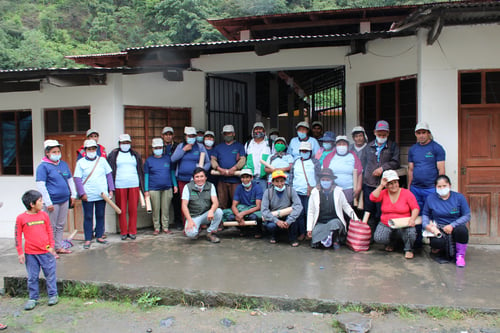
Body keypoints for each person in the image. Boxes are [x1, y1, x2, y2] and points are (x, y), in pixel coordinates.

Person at [15, 190, 58, 311]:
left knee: (50, 274)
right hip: (30, 254)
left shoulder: (44, 215)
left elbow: (49, 230)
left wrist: (51, 246)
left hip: (46, 252)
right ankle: (33, 298)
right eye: (40, 201)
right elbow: (17, 235)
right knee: (32, 277)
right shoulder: (21, 218)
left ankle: (53, 295)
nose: (42, 202)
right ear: (32, 204)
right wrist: (20, 252)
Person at [408, 122, 446, 248]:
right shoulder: (413, 149)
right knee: (416, 214)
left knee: (433, 215)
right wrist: (409, 187)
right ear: (415, 134)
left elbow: (441, 170)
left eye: (424, 132)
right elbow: (411, 169)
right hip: (416, 188)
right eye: (419, 133)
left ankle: (435, 245)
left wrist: (440, 188)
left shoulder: (437, 148)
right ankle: (417, 242)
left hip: (431, 189)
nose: (421, 135)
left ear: (428, 134)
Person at [36, 139, 76, 257]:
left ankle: (58, 246)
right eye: (54, 151)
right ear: (47, 153)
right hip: (52, 202)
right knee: (50, 227)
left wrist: (73, 194)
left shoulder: (63, 164)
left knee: (60, 225)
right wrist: (48, 202)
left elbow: (70, 179)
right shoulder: (43, 167)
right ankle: (50, 248)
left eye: (58, 151)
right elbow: (41, 185)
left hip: (64, 200)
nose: (57, 153)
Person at [74, 139, 115, 249]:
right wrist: (81, 193)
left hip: (102, 194)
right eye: (89, 149)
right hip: (88, 195)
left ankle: (99, 235)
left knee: (100, 215)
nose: (91, 151)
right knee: (88, 216)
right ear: (85, 150)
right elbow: (77, 178)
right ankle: (88, 238)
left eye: (93, 149)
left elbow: (109, 175)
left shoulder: (102, 161)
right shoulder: (80, 163)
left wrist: (111, 189)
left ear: (96, 150)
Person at [370, 170, 419, 259]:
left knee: (410, 232)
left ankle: (408, 249)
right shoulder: (384, 193)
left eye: (395, 182)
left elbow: (415, 208)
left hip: (403, 224)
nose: (394, 185)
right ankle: (391, 243)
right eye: (390, 183)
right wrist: (381, 185)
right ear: (387, 185)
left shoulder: (406, 193)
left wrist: (412, 219)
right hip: (387, 223)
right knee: (378, 237)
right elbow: (372, 197)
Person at [422, 175, 470, 267]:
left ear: (450, 185)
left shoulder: (459, 198)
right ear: (435, 187)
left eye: (444, 186)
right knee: (437, 242)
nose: (442, 188)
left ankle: (460, 256)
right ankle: (439, 251)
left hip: (455, 226)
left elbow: (467, 215)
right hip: (439, 227)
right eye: (439, 186)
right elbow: (425, 214)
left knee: (462, 231)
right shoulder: (431, 198)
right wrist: (427, 225)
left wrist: (452, 225)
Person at [362, 120, 400, 235]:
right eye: (379, 134)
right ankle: (370, 235)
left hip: (384, 185)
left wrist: (383, 168)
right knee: (369, 210)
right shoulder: (368, 147)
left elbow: (396, 162)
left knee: (382, 211)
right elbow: (363, 162)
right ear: (374, 133)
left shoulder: (393, 146)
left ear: (388, 134)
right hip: (369, 184)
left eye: (384, 134)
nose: (382, 136)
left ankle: (382, 235)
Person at [307, 168, 359, 249]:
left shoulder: (338, 191)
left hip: (333, 221)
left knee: (335, 225)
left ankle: (334, 239)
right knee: (315, 240)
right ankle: (326, 239)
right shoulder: (314, 192)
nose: (325, 181)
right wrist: (309, 228)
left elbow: (346, 206)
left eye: (327, 179)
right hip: (320, 222)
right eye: (323, 179)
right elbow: (311, 211)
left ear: (331, 181)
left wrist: (356, 219)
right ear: (320, 180)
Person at [107, 134, 145, 241]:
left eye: (127, 143)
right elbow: (110, 170)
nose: (125, 145)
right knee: (121, 210)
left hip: (134, 184)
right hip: (120, 185)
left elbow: (140, 171)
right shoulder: (114, 155)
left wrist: (142, 187)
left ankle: (132, 231)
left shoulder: (135, 155)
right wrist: (110, 187)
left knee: (133, 209)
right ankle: (124, 231)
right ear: (119, 144)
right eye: (123, 143)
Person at [144, 138, 178, 235]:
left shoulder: (168, 158)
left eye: (160, 147)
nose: (158, 149)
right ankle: (157, 227)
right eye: (156, 148)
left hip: (167, 187)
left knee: (166, 208)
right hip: (153, 188)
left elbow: (172, 172)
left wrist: (174, 185)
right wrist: (146, 190)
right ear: (152, 149)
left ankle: (165, 227)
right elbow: (146, 175)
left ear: (163, 148)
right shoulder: (149, 161)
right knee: (156, 209)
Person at [171, 126, 211, 210]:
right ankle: (186, 221)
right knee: (185, 201)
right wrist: (184, 150)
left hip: (197, 180)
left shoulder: (200, 147)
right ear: (185, 136)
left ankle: (196, 221)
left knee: (196, 201)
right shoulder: (181, 146)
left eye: (193, 136)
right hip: (182, 179)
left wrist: (202, 171)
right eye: (189, 136)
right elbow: (173, 159)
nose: (191, 138)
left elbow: (208, 162)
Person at [261, 170, 302, 246]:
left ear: (285, 181)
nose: (279, 184)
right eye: (277, 181)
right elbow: (264, 210)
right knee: (271, 226)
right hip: (274, 216)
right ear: (272, 182)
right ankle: (274, 236)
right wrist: (276, 221)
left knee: (295, 220)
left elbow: (298, 205)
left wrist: (289, 220)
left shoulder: (290, 190)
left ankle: (293, 238)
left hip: (288, 215)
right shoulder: (268, 192)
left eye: (282, 181)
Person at [182, 167, 223, 243]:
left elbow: (215, 202)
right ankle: (196, 230)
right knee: (191, 234)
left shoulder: (211, 186)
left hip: (206, 215)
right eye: (197, 177)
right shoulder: (188, 187)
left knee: (219, 212)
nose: (199, 179)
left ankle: (210, 232)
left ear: (206, 177)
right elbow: (184, 205)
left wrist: (211, 210)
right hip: (193, 216)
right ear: (193, 178)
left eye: (202, 176)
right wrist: (189, 220)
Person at [289, 141, 320, 241]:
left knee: (310, 213)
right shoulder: (296, 162)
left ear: (310, 152)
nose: (304, 152)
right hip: (297, 192)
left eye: (306, 151)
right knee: (300, 214)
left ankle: (310, 232)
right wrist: (290, 190)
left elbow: (319, 176)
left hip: (310, 193)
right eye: (302, 150)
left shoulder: (315, 162)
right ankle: (302, 233)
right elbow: (291, 177)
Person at [211, 124, 246, 210]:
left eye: (229, 133)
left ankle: (237, 221)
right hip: (222, 180)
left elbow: (243, 160)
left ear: (234, 134)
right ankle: (222, 222)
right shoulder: (218, 147)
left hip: (235, 180)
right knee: (221, 203)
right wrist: (219, 168)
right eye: (225, 134)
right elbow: (213, 160)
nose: (227, 135)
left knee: (236, 204)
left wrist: (234, 168)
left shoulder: (239, 146)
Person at [222, 169, 263, 237]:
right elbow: (234, 205)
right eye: (243, 177)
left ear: (251, 178)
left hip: (252, 210)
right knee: (230, 217)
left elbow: (258, 206)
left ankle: (257, 230)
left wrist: (243, 213)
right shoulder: (239, 188)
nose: (245, 179)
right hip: (242, 209)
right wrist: (238, 215)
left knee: (254, 217)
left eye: (247, 177)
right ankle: (243, 229)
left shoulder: (257, 187)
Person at [327, 136, 363, 205]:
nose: (341, 146)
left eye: (344, 144)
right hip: (333, 190)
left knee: (347, 212)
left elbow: (359, 172)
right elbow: (324, 172)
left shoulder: (352, 156)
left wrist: (358, 187)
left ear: (347, 145)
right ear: (336, 145)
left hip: (349, 190)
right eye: (339, 144)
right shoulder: (330, 156)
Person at [161, 126, 182, 230]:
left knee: (177, 200)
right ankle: (163, 223)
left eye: (170, 134)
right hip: (163, 175)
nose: (168, 136)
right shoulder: (159, 147)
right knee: (163, 201)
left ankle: (178, 221)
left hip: (176, 175)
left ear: (173, 135)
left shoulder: (178, 146)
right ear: (162, 136)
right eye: (166, 134)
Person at [244, 122, 271, 192]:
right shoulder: (248, 144)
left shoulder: (270, 143)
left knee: (264, 200)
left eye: (260, 129)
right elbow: (244, 159)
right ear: (253, 131)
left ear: (264, 131)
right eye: (256, 129)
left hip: (265, 179)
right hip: (250, 179)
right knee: (251, 200)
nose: (258, 131)